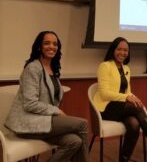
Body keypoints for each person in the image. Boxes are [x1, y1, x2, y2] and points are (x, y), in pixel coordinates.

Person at [5, 31, 89, 162]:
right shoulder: (33, 68)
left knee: (75, 141)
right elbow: (30, 103)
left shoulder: (52, 69)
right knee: (83, 124)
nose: (52, 46)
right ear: (39, 46)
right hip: (28, 123)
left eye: (55, 44)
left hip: (44, 121)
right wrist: (56, 111)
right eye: (47, 43)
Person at [93, 37, 147, 162]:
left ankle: (124, 159)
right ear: (113, 50)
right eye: (119, 49)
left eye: (125, 50)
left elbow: (127, 91)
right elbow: (105, 94)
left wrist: (131, 96)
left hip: (121, 108)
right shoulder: (104, 66)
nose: (122, 53)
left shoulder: (126, 69)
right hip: (106, 108)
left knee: (134, 124)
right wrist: (127, 97)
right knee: (137, 109)